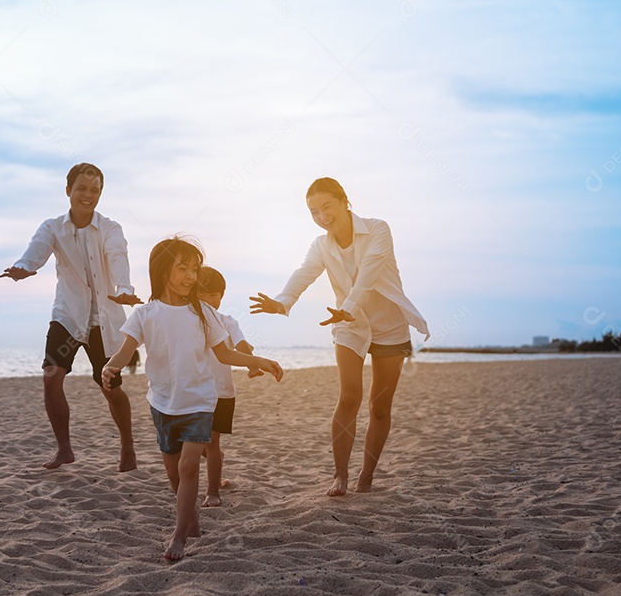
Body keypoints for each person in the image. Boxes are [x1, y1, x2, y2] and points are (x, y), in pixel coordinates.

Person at [101, 237, 283, 561]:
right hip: (161, 403)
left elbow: (225, 353)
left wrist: (258, 361)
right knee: (173, 471)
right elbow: (126, 350)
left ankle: (179, 536)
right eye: (182, 268)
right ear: (161, 270)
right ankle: (192, 519)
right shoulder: (145, 314)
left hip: (200, 401)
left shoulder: (205, 313)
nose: (190, 276)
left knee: (187, 467)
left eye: (195, 269)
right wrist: (110, 366)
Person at [250, 178, 429, 496]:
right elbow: (304, 272)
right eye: (313, 211)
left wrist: (348, 305)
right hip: (348, 324)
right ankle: (340, 475)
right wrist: (283, 301)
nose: (321, 216)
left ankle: (367, 477)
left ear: (344, 200)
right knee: (349, 398)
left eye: (326, 207)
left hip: (388, 325)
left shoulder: (377, 229)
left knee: (379, 407)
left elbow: (370, 270)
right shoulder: (321, 245)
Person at [1, 163, 143, 472]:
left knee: (110, 387)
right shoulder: (53, 227)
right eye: (81, 188)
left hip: (104, 319)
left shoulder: (110, 228)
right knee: (51, 377)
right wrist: (23, 267)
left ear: (100, 194)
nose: (87, 195)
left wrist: (124, 288)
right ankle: (64, 449)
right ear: (68, 191)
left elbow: (118, 255)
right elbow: (35, 250)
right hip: (68, 314)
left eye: (95, 190)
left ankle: (127, 448)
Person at [195, 266, 255, 508]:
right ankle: (215, 461)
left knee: (211, 442)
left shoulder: (228, 321)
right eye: (203, 295)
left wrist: (252, 363)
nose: (209, 301)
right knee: (196, 444)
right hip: (194, 391)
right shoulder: (190, 321)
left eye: (214, 295)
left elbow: (241, 344)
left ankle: (213, 492)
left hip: (221, 392)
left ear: (222, 296)